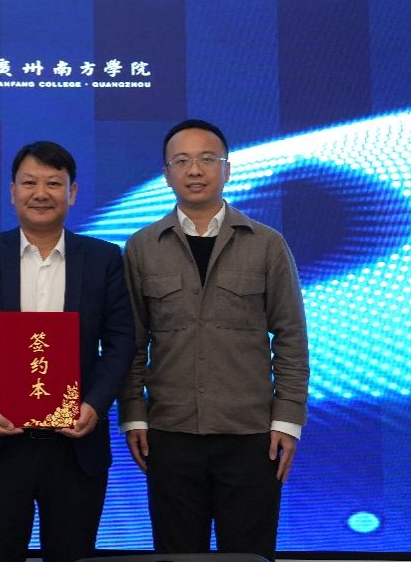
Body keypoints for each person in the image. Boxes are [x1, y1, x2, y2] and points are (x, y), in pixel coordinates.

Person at [119, 119, 310, 561]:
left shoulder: (267, 244)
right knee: (177, 554)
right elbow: (131, 341)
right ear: (166, 174)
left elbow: (291, 336)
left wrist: (287, 420)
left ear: (227, 169)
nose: (195, 170)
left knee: (248, 555)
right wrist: (133, 414)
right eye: (181, 161)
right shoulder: (142, 247)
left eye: (207, 159)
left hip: (252, 435)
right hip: (169, 434)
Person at [0, 140, 134, 562]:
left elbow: (121, 340)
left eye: (53, 183)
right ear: (12, 191)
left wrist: (95, 405)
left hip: (75, 444)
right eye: (29, 182)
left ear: (73, 192)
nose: (41, 193)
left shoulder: (103, 258)